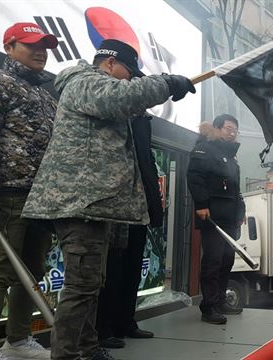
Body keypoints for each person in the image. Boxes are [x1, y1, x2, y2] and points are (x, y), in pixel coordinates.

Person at [21, 39, 196, 360]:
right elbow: (120, 98)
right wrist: (167, 83)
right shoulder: (85, 81)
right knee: (81, 285)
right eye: (130, 72)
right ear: (111, 63)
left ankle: (87, 348)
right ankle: (68, 354)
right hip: (81, 203)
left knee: (91, 284)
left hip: (95, 204)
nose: (130, 79)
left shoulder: (94, 85)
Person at [0, 22, 58, 360]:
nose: (40, 51)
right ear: (10, 47)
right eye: (31, 45)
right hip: (7, 192)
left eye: (44, 46)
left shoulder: (46, 95)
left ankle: (17, 340)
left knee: (32, 269)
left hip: (41, 198)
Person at [96, 114, 164, 349]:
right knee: (111, 268)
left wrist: (155, 207)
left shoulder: (142, 121)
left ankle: (126, 321)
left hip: (138, 205)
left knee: (133, 267)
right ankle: (102, 327)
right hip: (113, 203)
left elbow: (147, 164)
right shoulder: (109, 110)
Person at [187, 114, 246, 325]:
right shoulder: (205, 148)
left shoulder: (231, 157)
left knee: (226, 261)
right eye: (228, 129)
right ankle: (209, 307)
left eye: (234, 131)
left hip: (230, 219)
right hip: (212, 218)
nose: (231, 134)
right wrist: (201, 204)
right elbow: (195, 176)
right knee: (212, 262)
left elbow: (235, 188)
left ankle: (221, 301)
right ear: (218, 128)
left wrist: (241, 211)